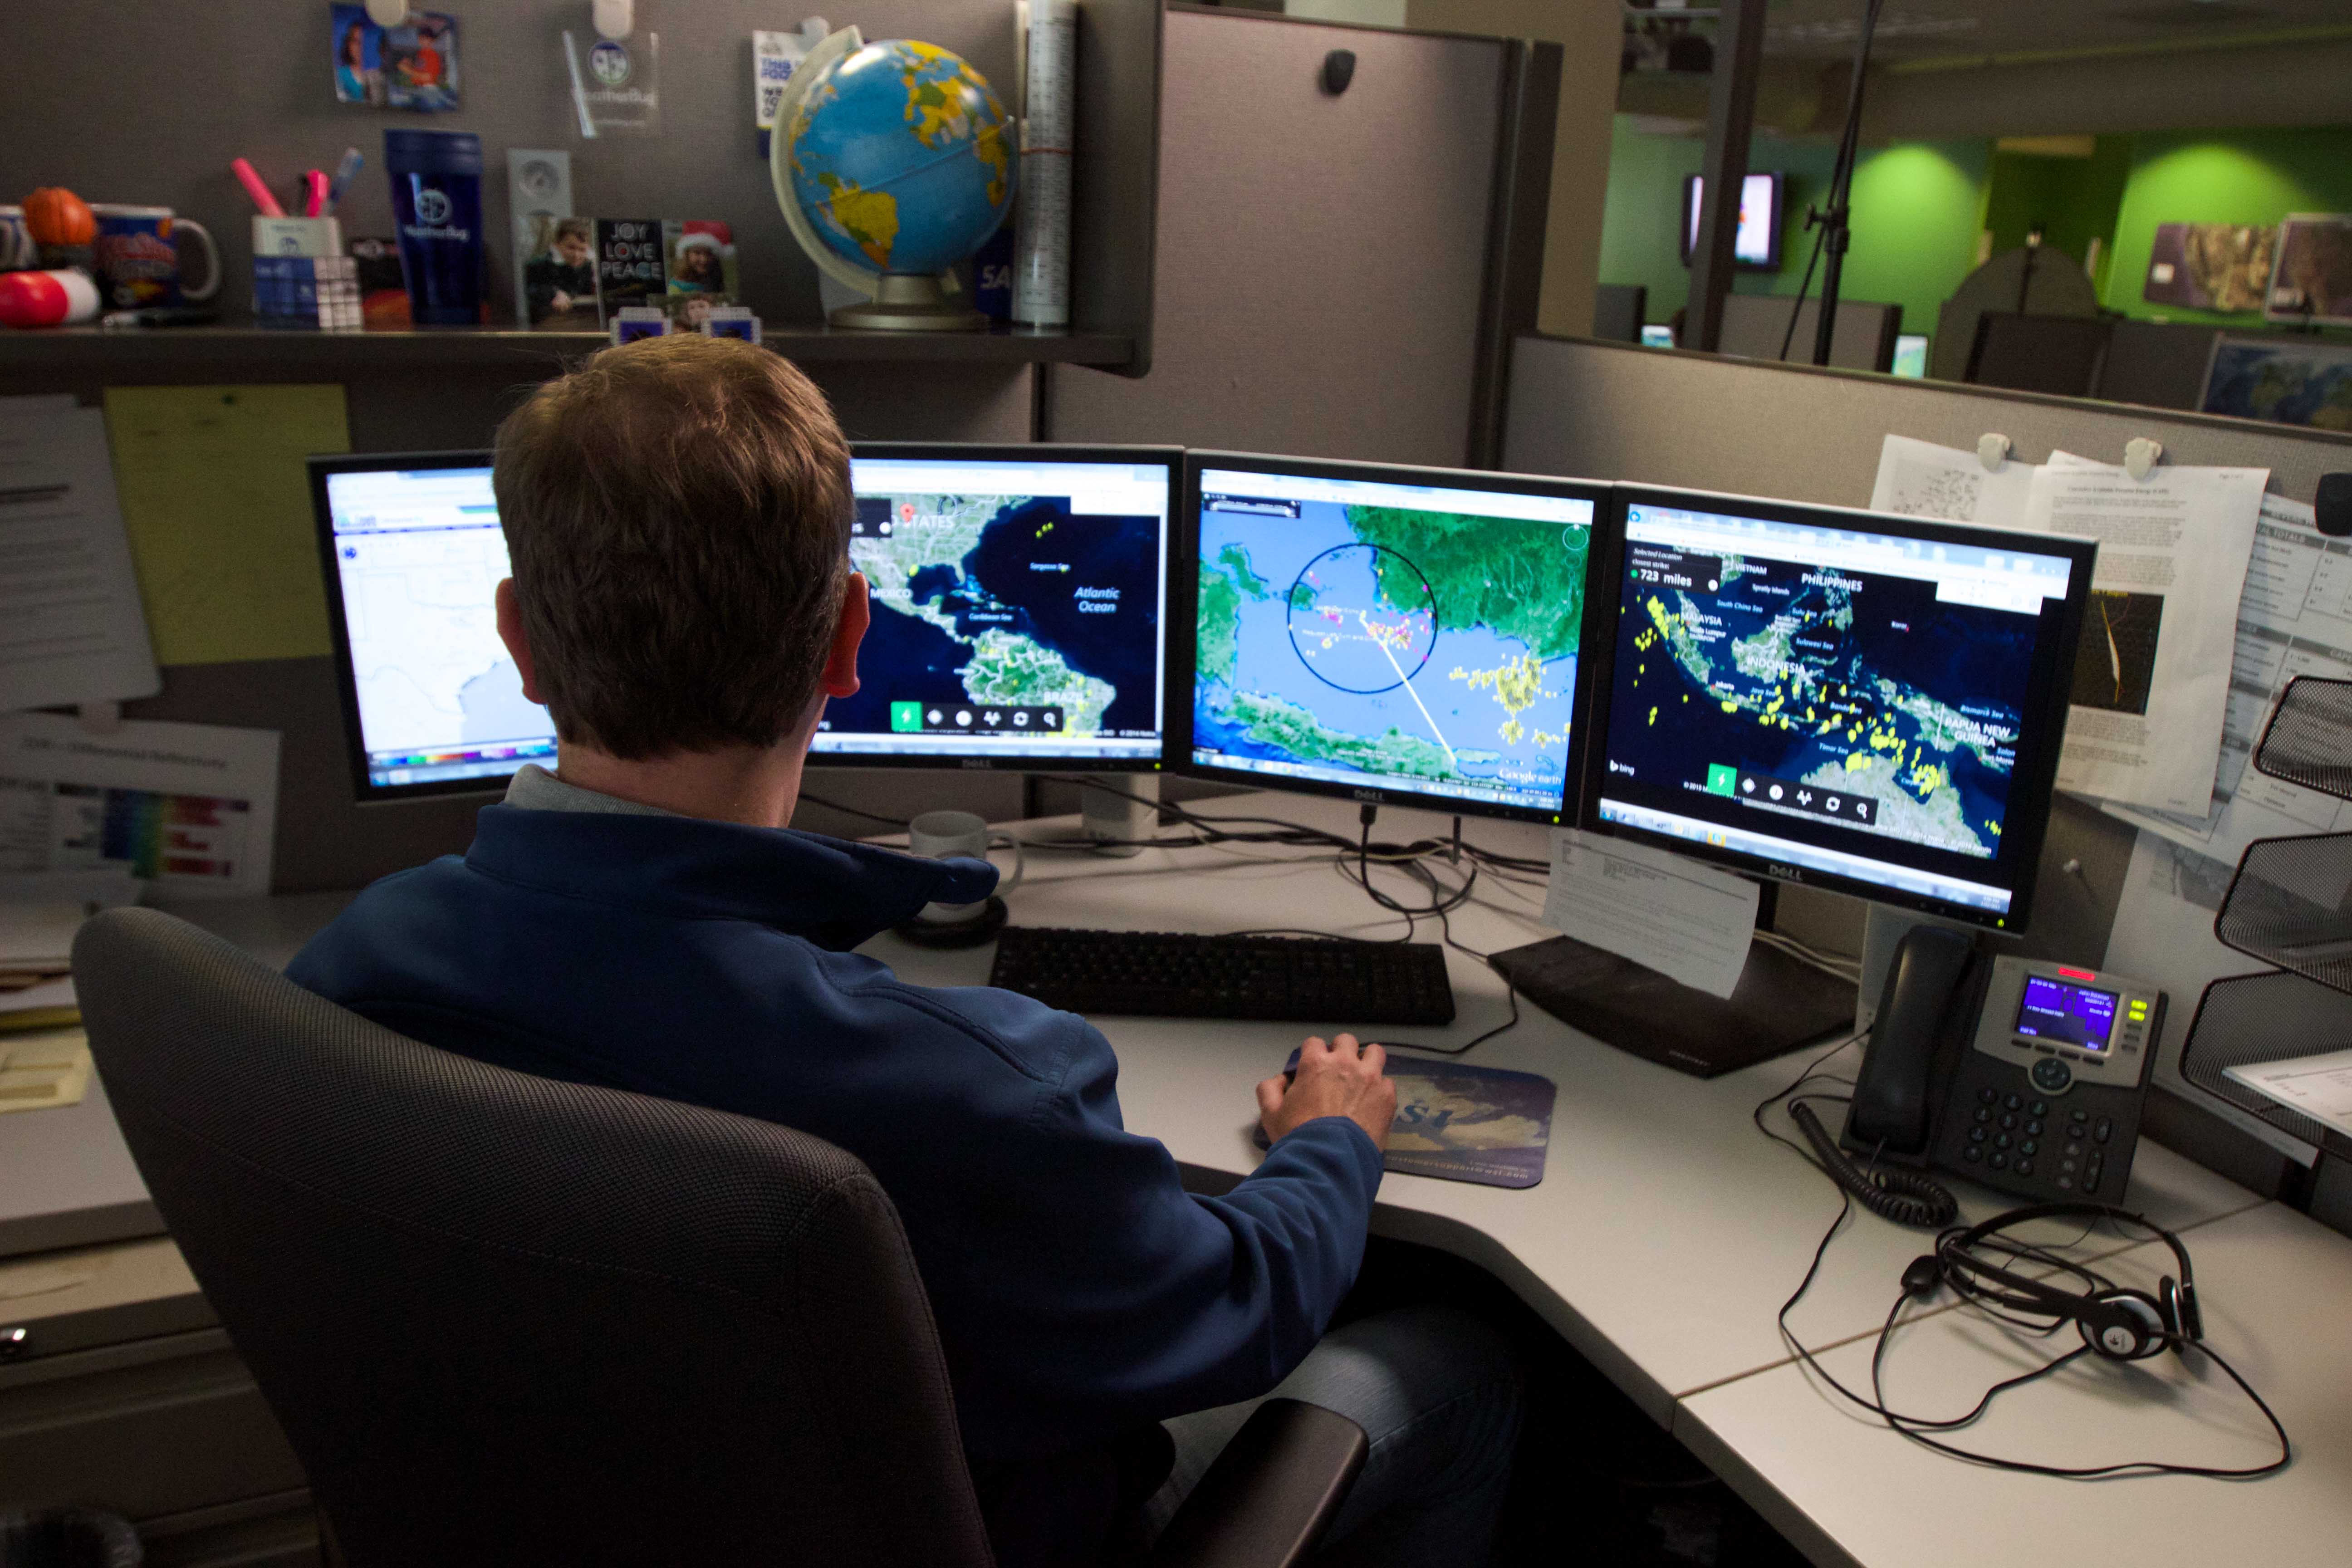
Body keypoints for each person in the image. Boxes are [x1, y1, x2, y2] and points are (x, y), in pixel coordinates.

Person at [285, 335, 1520, 1568]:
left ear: (518, 638)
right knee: (1456, 1368)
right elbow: (1239, 1306)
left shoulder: (342, 979)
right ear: (849, 637)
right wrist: (1330, 1145)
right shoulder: (967, 1087)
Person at [524, 217, 596, 326]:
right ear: (557, 244)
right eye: (571, 248)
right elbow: (527, 290)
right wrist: (553, 293)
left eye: (582, 250)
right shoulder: (540, 265)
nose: (577, 255)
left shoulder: (589, 268)